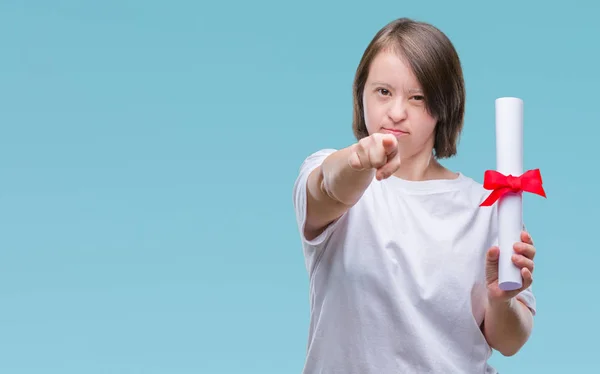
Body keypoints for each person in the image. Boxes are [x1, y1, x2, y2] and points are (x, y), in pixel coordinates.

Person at [292, 18, 537, 373]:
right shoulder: (329, 171)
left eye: (417, 97)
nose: (395, 112)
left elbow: (509, 342)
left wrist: (502, 301)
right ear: (360, 92)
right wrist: (360, 159)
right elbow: (329, 186)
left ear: (443, 107)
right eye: (383, 92)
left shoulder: (487, 207)